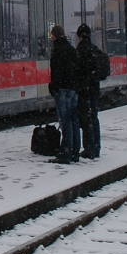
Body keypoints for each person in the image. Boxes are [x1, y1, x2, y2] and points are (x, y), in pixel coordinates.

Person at [48, 24, 79, 164]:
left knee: (65, 121)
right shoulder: (72, 49)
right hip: (73, 89)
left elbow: (56, 73)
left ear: (54, 36)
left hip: (62, 89)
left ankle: (65, 153)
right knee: (73, 120)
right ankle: (75, 152)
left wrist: (53, 87)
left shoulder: (57, 51)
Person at [75, 24, 102, 159]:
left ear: (79, 36)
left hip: (84, 90)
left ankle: (89, 149)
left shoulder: (80, 50)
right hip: (94, 89)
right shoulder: (95, 49)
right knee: (94, 118)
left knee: (85, 120)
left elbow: (77, 71)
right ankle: (97, 147)